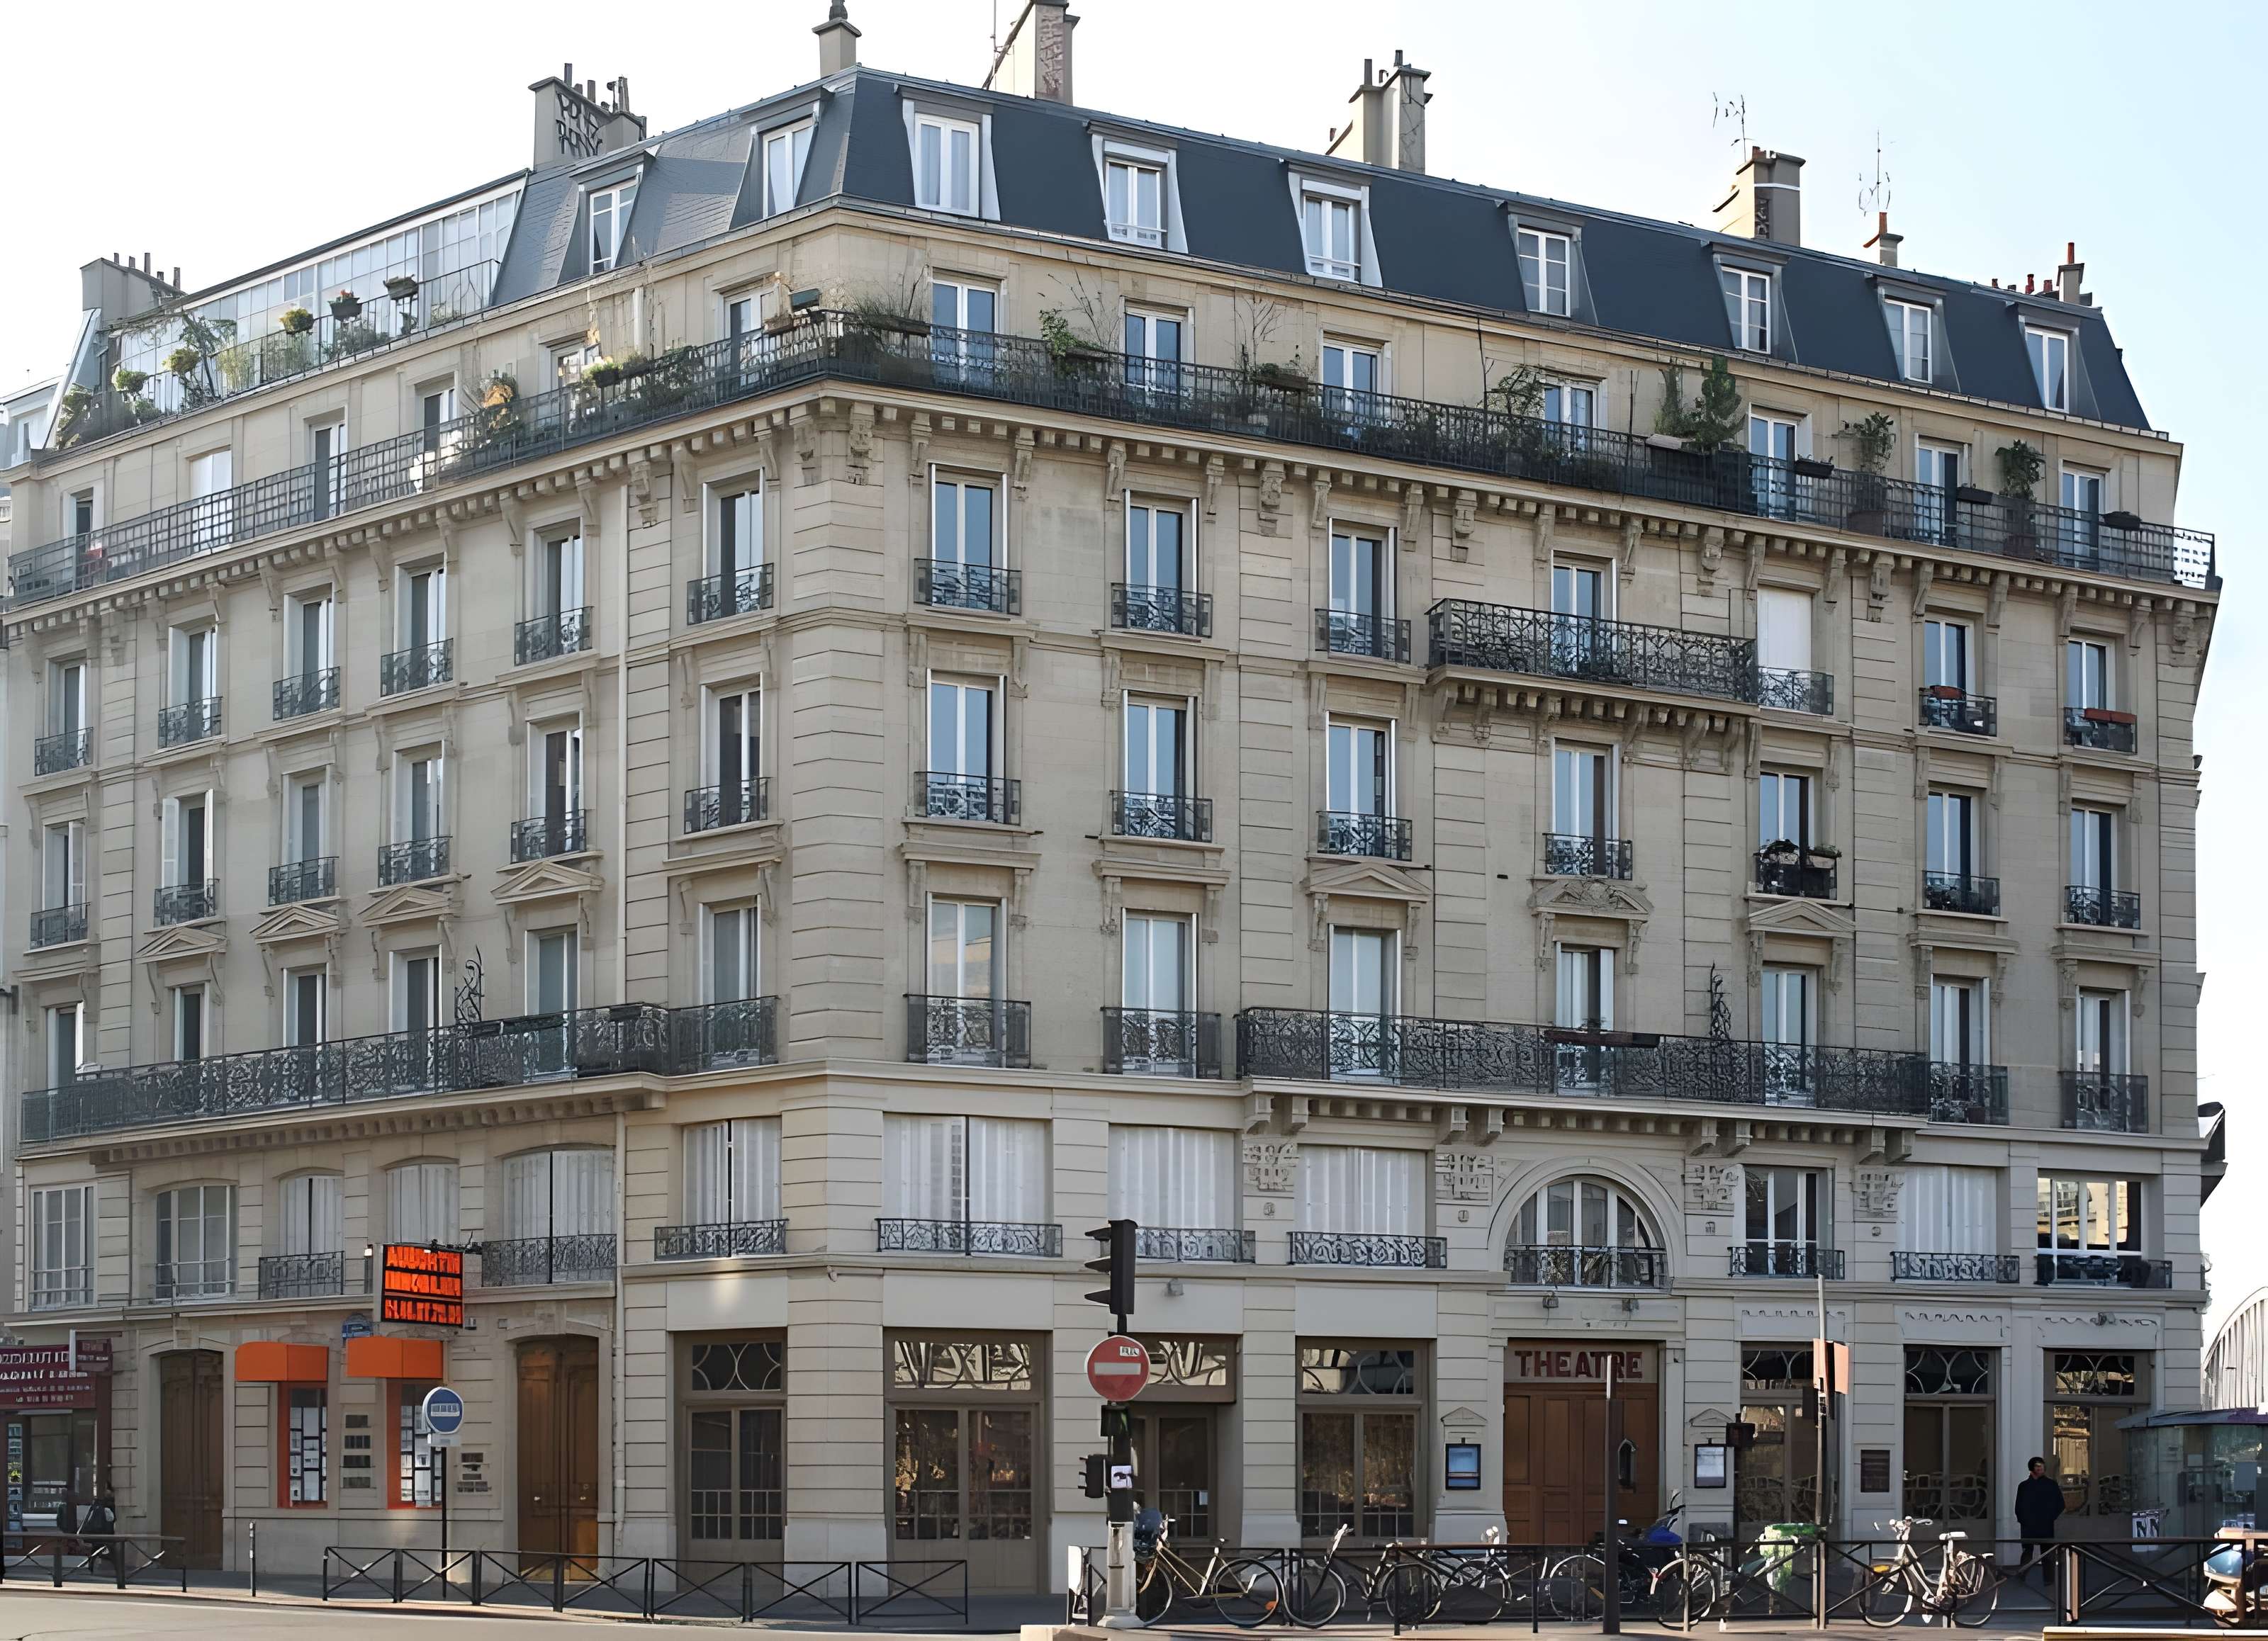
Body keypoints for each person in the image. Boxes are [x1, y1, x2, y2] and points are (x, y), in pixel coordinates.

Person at [2014, 1456, 2066, 1589]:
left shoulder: (2051, 1485)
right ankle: (2021, 1577)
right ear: (2032, 1469)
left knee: (2047, 1554)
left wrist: (2050, 1518)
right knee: (2027, 1552)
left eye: (2042, 1466)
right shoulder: (2024, 1486)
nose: (2041, 1468)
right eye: (2038, 1466)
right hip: (2028, 1526)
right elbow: (2018, 1507)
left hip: (2045, 1525)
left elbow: (2060, 1504)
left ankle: (2049, 1580)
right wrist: (2024, 1521)